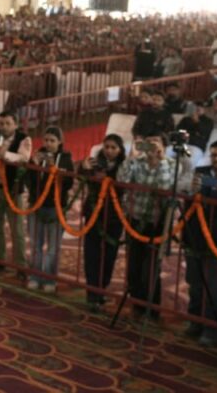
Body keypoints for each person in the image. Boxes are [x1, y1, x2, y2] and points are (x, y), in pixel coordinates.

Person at [117, 133, 191, 319]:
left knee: (150, 269)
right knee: (133, 266)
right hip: (135, 219)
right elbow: (122, 180)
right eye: (148, 142)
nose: (151, 146)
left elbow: (164, 187)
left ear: (164, 146)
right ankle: (137, 304)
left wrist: (161, 160)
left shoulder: (172, 165)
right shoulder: (137, 162)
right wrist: (131, 157)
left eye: (156, 142)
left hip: (157, 223)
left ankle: (151, 309)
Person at [182, 140, 217, 348]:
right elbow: (186, 194)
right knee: (196, 283)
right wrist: (191, 190)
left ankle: (213, 331)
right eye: (214, 155)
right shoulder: (201, 172)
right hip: (197, 237)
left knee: (216, 288)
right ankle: (195, 322)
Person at [78, 134, 127, 311]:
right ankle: (92, 292)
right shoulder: (95, 162)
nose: (109, 151)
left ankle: (102, 288)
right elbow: (81, 177)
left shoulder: (124, 166)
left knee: (109, 255)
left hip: (114, 216)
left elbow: (125, 186)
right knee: (91, 253)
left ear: (120, 150)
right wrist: (83, 168)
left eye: (113, 148)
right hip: (94, 213)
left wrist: (110, 178)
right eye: (106, 147)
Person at [24, 127, 74, 292]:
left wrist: (55, 169)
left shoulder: (66, 159)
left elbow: (68, 184)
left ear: (60, 142)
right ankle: (35, 276)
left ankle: (50, 279)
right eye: (46, 140)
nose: (48, 144)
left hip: (55, 208)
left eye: (52, 140)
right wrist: (33, 165)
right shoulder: (38, 155)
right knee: (35, 245)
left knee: (53, 248)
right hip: (36, 205)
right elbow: (29, 182)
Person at [0, 111, 32, 277]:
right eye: (1, 123)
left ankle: (21, 266)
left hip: (13, 190)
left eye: (8, 124)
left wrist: (6, 155)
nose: (3, 127)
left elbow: (24, 157)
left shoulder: (24, 139)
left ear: (16, 125)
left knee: (17, 230)